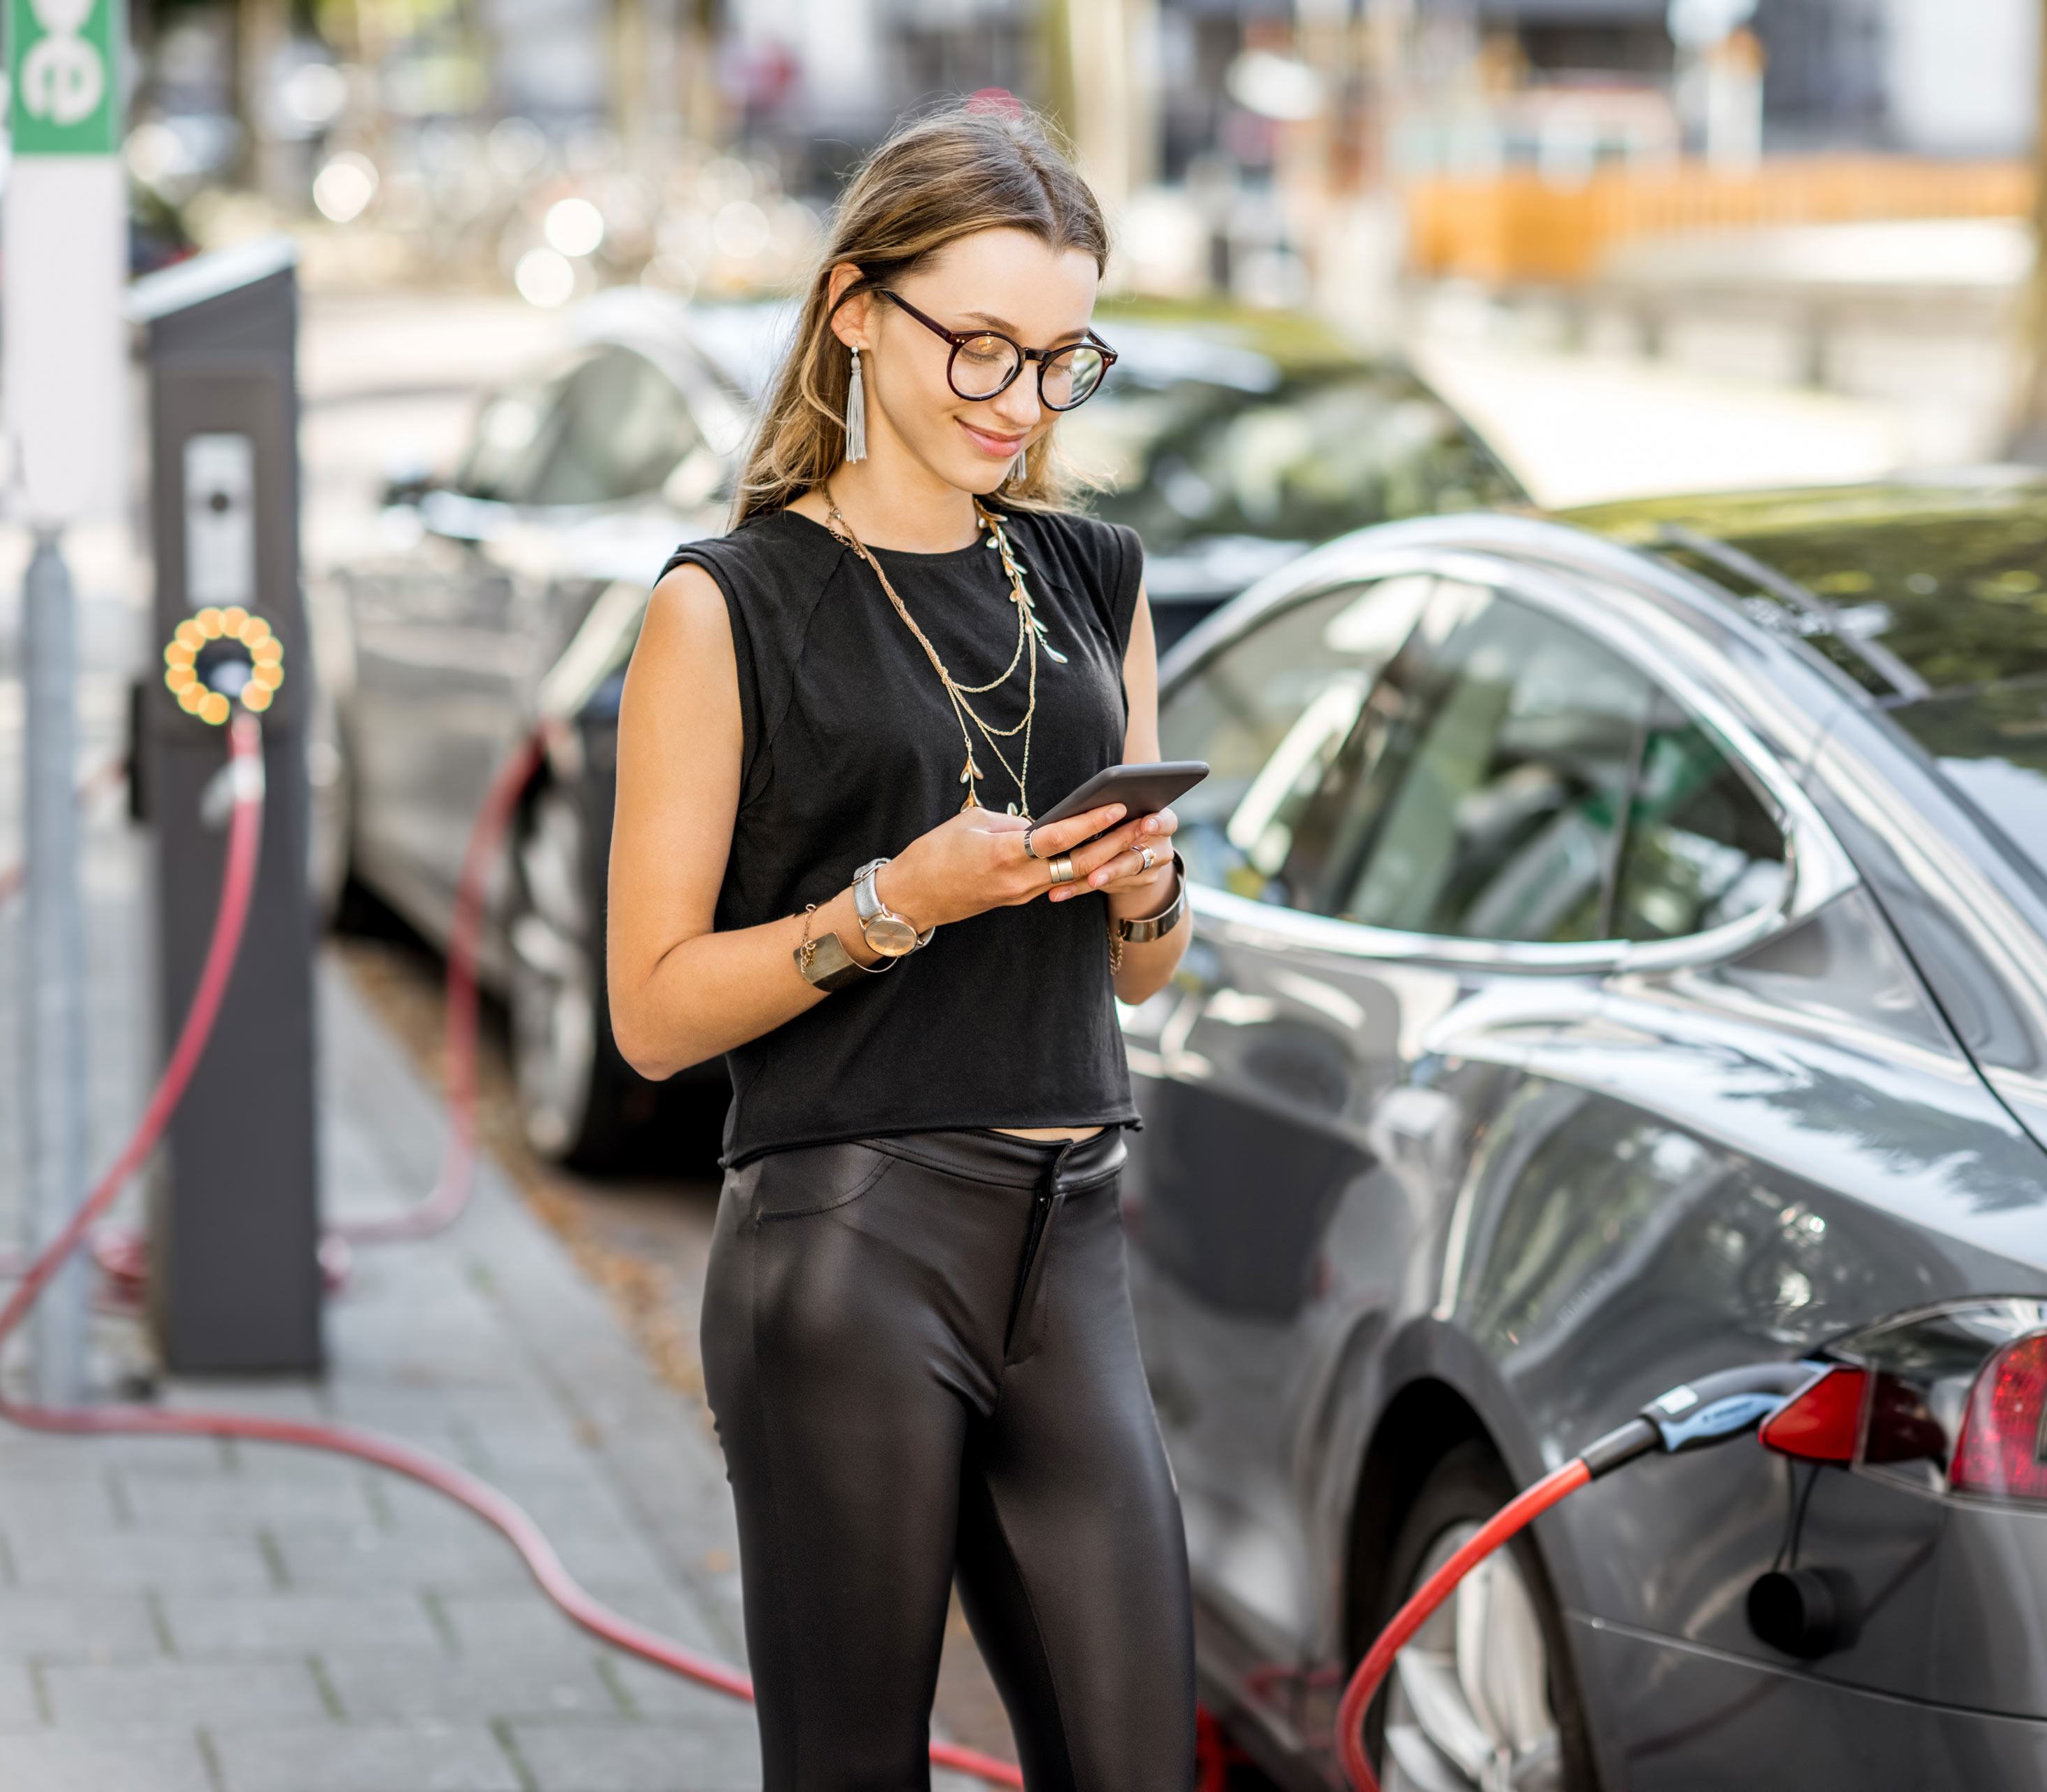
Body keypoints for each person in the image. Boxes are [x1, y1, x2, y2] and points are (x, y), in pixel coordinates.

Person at [603, 104, 1196, 1789]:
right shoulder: (724, 605)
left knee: (1139, 1757)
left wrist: (1144, 882)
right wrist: (897, 902)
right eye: (983, 349)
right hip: (849, 1248)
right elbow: (651, 1015)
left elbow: (1142, 975)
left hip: (1071, 1235)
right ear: (857, 308)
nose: (1020, 403)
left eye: (1062, 361)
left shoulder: (1092, 576)